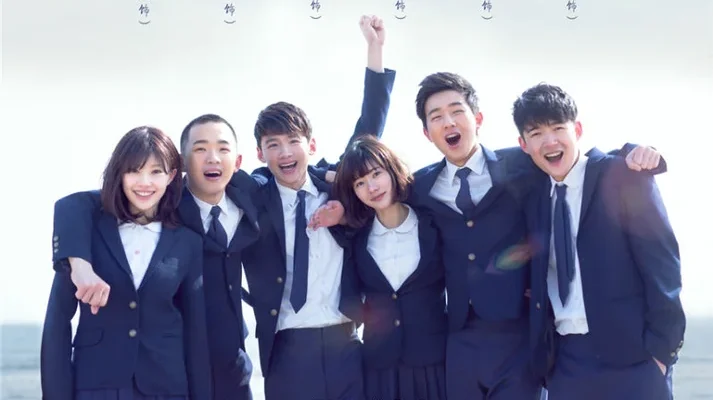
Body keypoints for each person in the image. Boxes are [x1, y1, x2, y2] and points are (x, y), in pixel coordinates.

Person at [52, 14, 396, 400]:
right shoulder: (255, 194)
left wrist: (375, 53)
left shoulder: (337, 187)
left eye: (293, 142)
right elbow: (79, 205)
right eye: (273, 145)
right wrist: (77, 263)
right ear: (259, 155)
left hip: (346, 342)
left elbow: (367, 134)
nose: (285, 153)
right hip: (284, 348)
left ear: (311, 146)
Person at [514, 83, 685, 400]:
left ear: (577, 129)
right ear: (523, 145)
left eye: (558, 128)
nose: (550, 141)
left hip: (635, 360)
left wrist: (662, 353)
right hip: (566, 364)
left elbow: (664, 267)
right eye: (536, 133)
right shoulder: (532, 196)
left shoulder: (623, 175)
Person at [41, 126, 211, 400]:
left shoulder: (188, 242)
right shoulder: (85, 234)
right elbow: (57, 322)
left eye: (156, 172)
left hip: (166, 388)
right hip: (97, 387)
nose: (145, 182)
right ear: (120, 173)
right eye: (134, 171)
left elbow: (196, 333)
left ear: (170, 176)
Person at [331, 136, 447, 400]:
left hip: (433, 363)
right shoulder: (357, 238)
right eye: (360, 183)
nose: (371, 187)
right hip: (380, 368)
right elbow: (348, 299)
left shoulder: (433, 225)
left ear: (392, 170)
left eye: (376, 174)